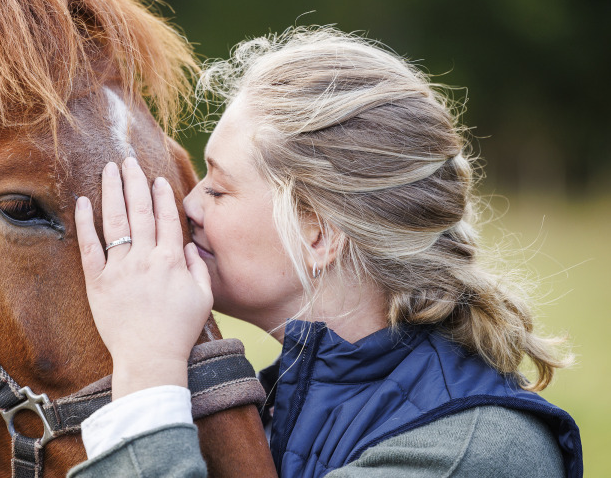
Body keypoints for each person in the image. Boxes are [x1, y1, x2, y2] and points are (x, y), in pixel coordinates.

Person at [67, 27, 582, 477]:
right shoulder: (276, 411)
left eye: (219, 189)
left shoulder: (471, 455)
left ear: (317, 235)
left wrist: (147, 370)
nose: (189, 206)